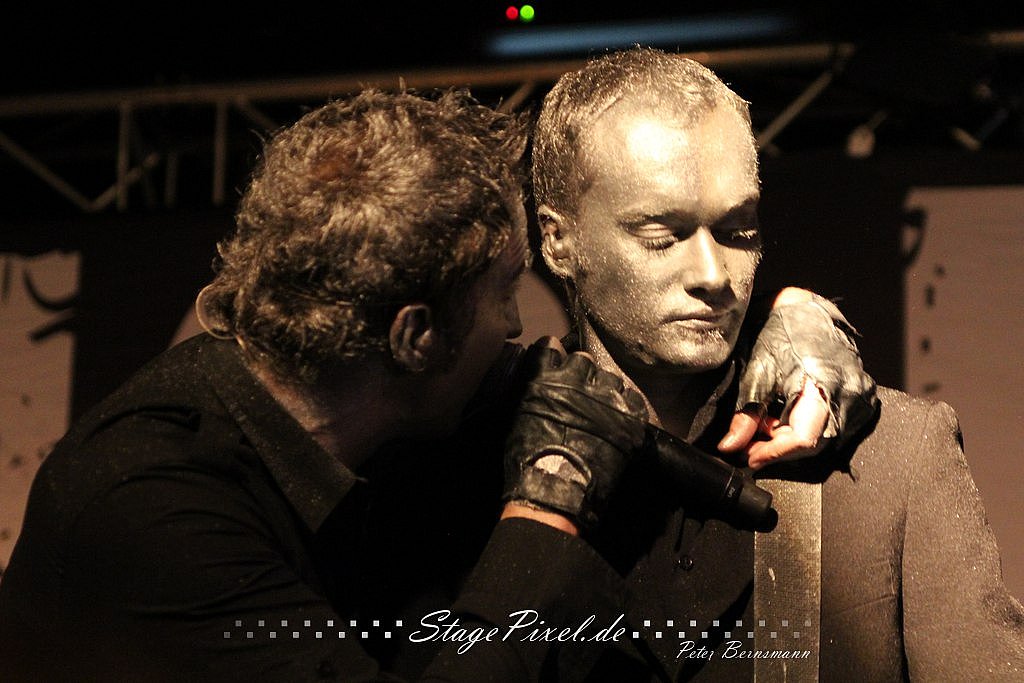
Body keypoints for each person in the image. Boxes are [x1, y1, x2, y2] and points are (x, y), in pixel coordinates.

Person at [0, 88, 872, 682]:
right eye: (504, 291)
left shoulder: (369, 410)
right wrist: (548, 503)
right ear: (415, 337)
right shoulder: (148, 516)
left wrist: (799, 319)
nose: (519, 324)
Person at [520, 46, 1024, 680]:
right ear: (558, 240)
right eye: (661, 236)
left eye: (739, 230)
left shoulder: (897, 454)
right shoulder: (479, 451)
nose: (713, 274)